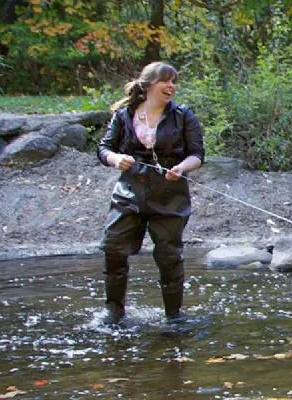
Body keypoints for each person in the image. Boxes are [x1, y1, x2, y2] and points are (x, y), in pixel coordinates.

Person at [97, 61, 205, 325]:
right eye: (165, 81)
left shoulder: (183, 115)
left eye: (174, 81)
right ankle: (114, 312)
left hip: (171, 194)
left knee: (169, 255)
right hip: (129, 192)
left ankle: (174, 317)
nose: (171, 86)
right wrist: (116, 159)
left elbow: (198, 155)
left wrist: (182, 167)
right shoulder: (124, 114)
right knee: (114, 248)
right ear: (148, 85)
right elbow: (103, 148)